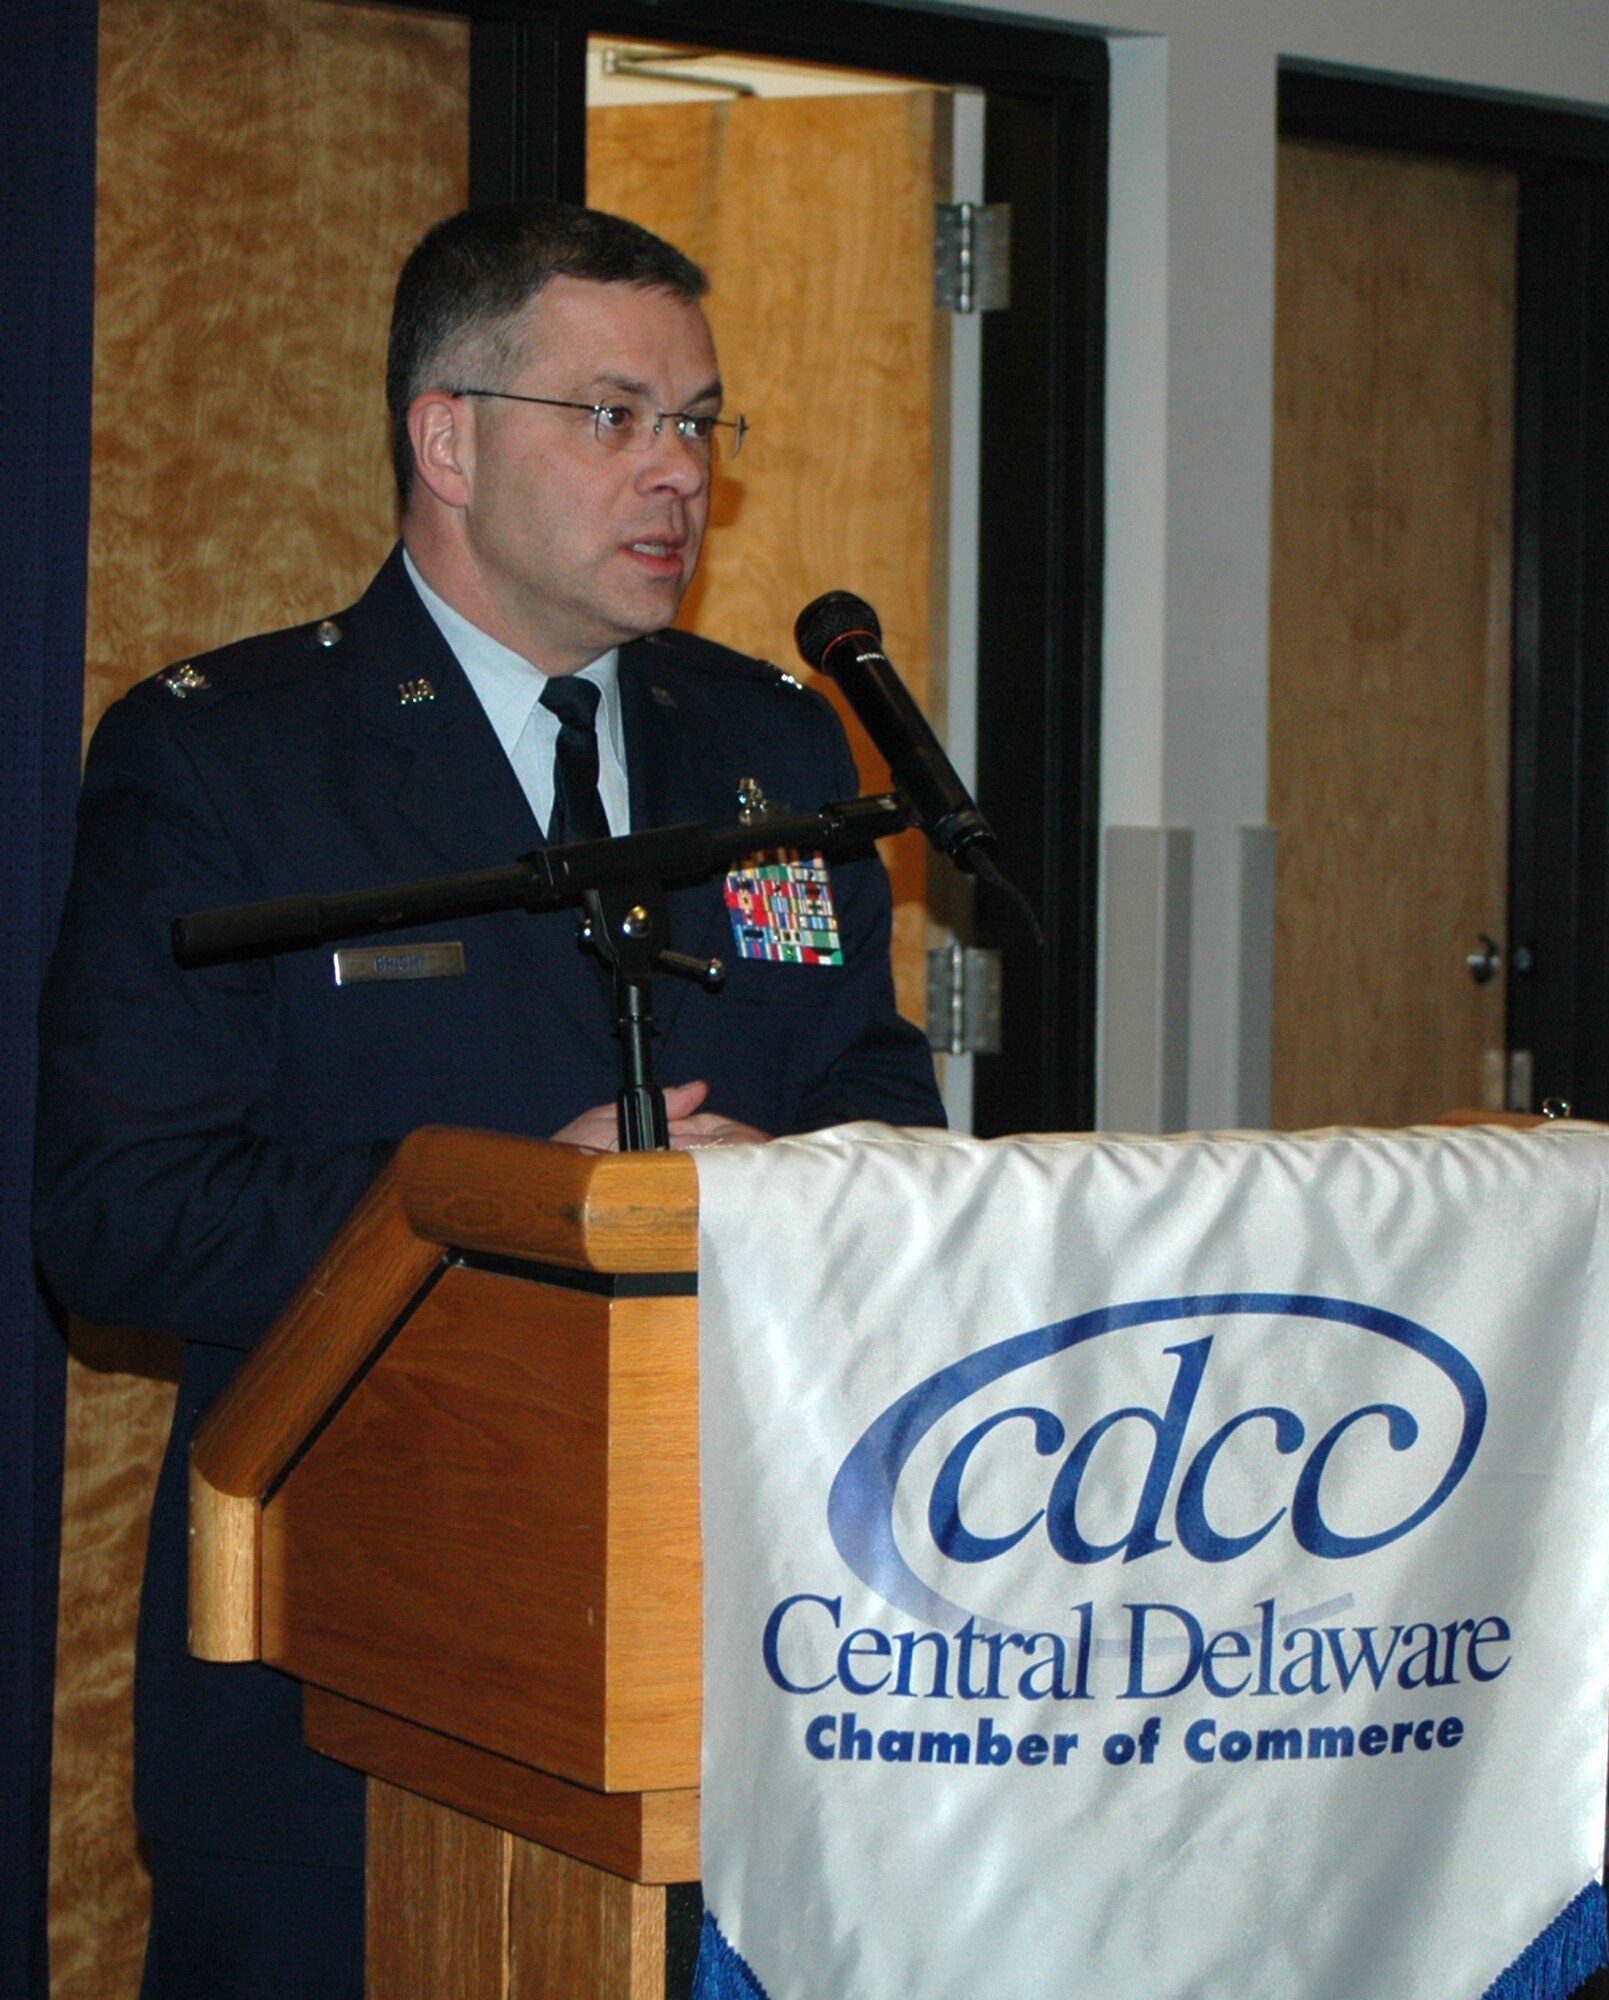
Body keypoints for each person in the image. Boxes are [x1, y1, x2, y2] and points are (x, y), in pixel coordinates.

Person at [34, 202, 944, 1999]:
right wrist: (512, 1197)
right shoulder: (224, 756)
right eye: (611, 415)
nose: (673, 472)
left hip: (732, 1630)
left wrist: (802, 1180)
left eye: (697, 423)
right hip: (355, 1644)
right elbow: (116, 1217)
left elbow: (869, 1085)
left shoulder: (771, 741)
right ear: (444, 437)